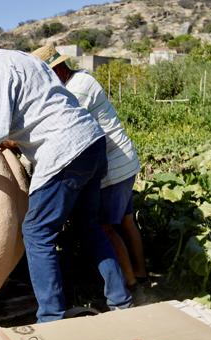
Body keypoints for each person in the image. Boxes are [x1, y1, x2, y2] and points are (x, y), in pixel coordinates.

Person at [0, 31, 132, 322]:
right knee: (89, 227)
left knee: (37, 233)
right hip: (91, 143)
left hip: (63, 150)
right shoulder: (23, 59)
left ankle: (51, 318)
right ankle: (121, 301)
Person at [31, 44, 148, 290]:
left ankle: (129, 282)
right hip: (123, 161)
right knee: (126, 222)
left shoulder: (77, 89)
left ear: (59, 69)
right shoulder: (79, 81)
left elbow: (67, 130)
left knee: (105, 228)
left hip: (112, 168)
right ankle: (141, 273)